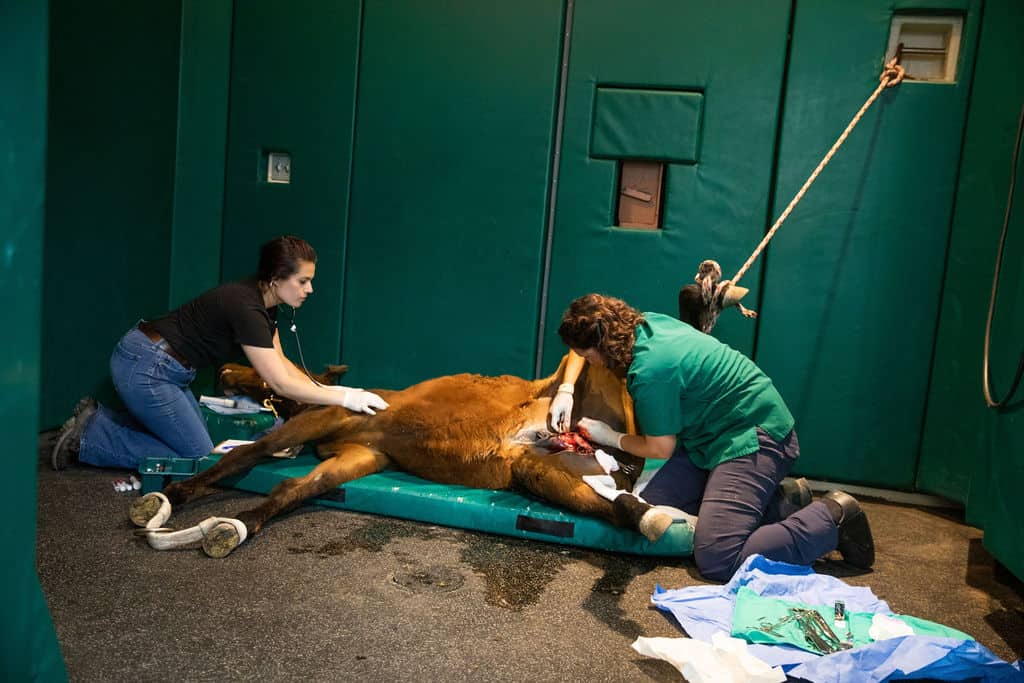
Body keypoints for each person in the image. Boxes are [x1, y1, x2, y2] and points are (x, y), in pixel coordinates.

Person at [551, 293, 874, 582]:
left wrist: (610, 436)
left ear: (603, 346)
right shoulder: (642, 324)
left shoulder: (649, 373)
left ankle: (833, 517)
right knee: (659, 509)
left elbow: (660, 448)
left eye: (589, 356)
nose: (590, 362)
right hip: (711, 435)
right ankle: (783, 501)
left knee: (718, 557)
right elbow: (585, 342)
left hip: (754, 436)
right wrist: (566, 388)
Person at [50, 235, 388, 471]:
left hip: (164, 366)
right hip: (147, 366)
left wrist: (325, 395)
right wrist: (342, 396)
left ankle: (100, 419)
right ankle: (89, 438)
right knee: (201, 460)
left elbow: (281, 364)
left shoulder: (263, 304)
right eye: (303, 281)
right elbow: (279, 383)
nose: (310, 289)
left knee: (194, 444)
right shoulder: (246, 307)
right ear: (275, 278)